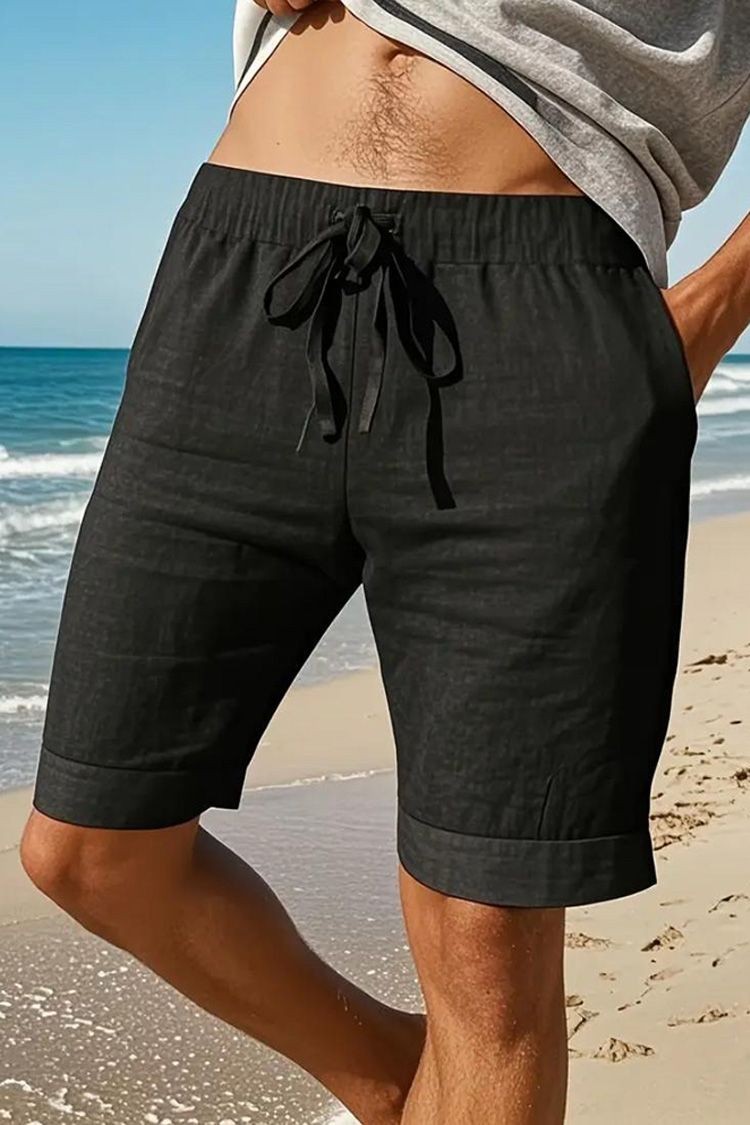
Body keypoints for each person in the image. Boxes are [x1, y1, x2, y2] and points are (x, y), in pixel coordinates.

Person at [20, 2, 750, 1122]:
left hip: (547, 293)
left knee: (485, 938)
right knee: (90, 848)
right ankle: (400, 1086)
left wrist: (704, 310)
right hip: (244, 270)